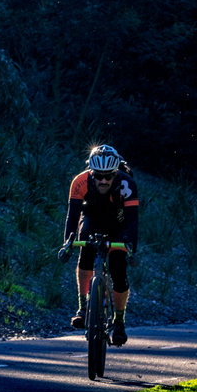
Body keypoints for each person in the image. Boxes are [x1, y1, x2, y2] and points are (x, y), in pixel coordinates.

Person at [57, 144, 138, 346]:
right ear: (91, 172)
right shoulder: (80, 182)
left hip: (118, 224)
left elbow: (132, 221)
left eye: (108, 176)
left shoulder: (127, 184)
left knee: (118, 270)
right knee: (85, 254)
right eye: (98, 175)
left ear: (116, 172)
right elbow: (73, 216)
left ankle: (119, 321)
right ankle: (83, 307)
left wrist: (130, 247)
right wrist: (67, 243)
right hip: (91, 218)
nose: (103, 180)